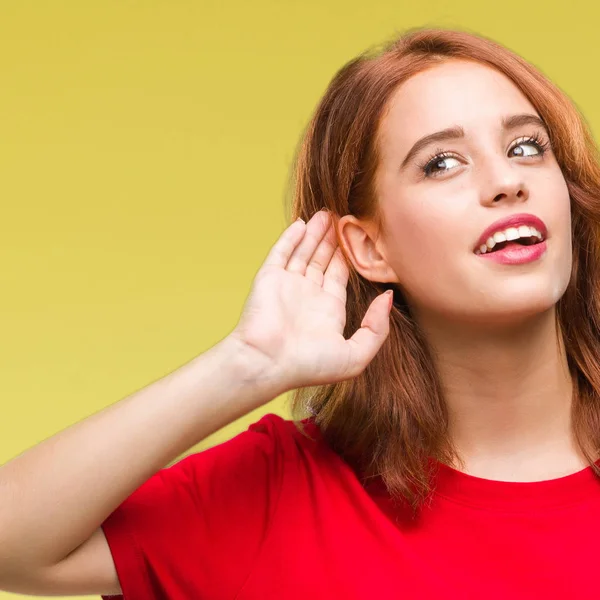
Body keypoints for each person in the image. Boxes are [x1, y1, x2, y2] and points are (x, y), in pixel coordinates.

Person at [1, 25, 599, 599]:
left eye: (527, 147)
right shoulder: (279, 495)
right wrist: (246, 364)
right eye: (441, 162)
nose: (506, 181)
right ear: (369, 248)